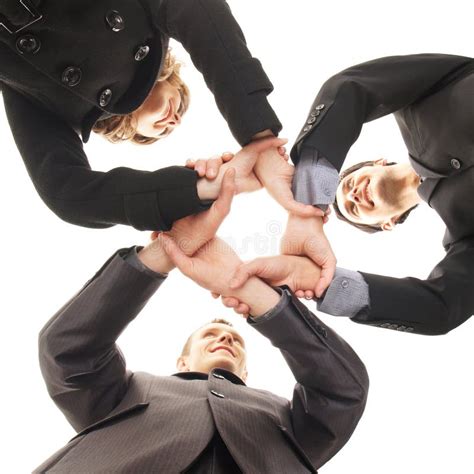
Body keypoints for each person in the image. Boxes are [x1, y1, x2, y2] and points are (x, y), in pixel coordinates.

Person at [34, 171, 368, 473]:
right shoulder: (124, 393)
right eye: (211, 334)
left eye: (235, 341)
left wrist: (250, 290)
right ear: (181, 361)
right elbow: (68, 348)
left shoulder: (289, 418)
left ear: (247, 373)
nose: (226, 340)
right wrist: (168, 251)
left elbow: (343, 390)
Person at [1, 0, 319, 231]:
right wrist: (258, 136)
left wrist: (210, 186)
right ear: (172, 80)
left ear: (132, 132)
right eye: (181, 106)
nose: (174, 120)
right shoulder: (148, 19)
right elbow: (198, 10)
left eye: (161, 133)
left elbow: (67, 195)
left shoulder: (52, 107)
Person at [225, 53, 474, 336]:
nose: (354, 196)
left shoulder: (419, 101)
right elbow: (439, 309)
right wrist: (321, 281)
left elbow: (349, 87)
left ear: (377, 162)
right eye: (354, 210)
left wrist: (307, 205)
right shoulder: (466, 236)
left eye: (347, 185)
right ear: (388, 223)